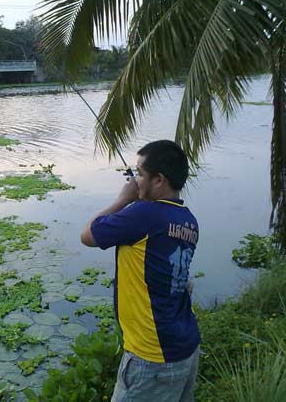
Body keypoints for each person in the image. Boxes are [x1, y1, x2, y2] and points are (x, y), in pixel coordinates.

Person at [80, 140, 201, 402]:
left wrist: (123, 200)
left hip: (151, 358)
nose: (136, 181)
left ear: (159, 180)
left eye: (140, 174)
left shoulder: (143, 214)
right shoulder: (189, 221)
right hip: (186, 346)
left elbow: (88, 235)